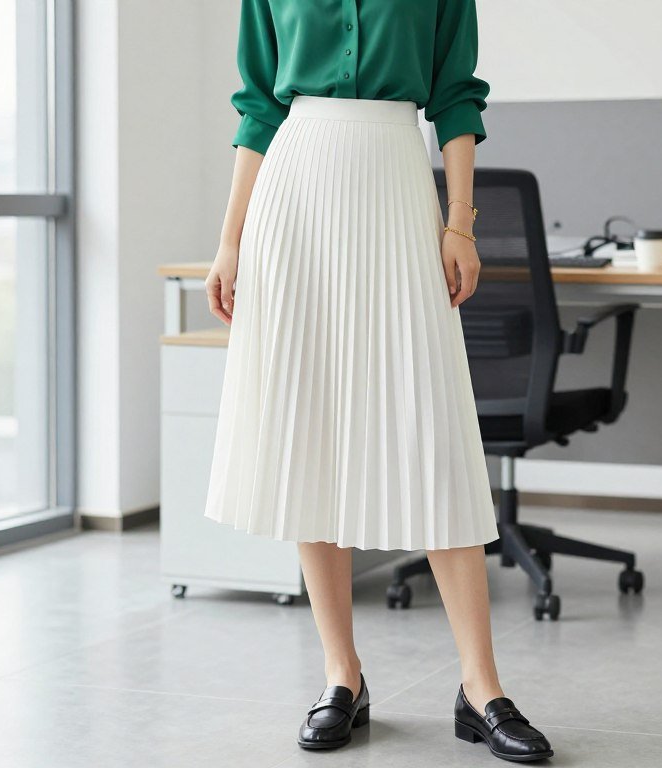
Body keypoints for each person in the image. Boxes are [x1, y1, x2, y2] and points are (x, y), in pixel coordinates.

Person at [203, 0, 553, 761]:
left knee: (429, 435)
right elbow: (260, 103)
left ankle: (481, 686)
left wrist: (460, 222)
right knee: (311, 427)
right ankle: (342, 674)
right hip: (293, 197)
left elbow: (456, 94)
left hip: (396, 186)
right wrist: (231, 239)